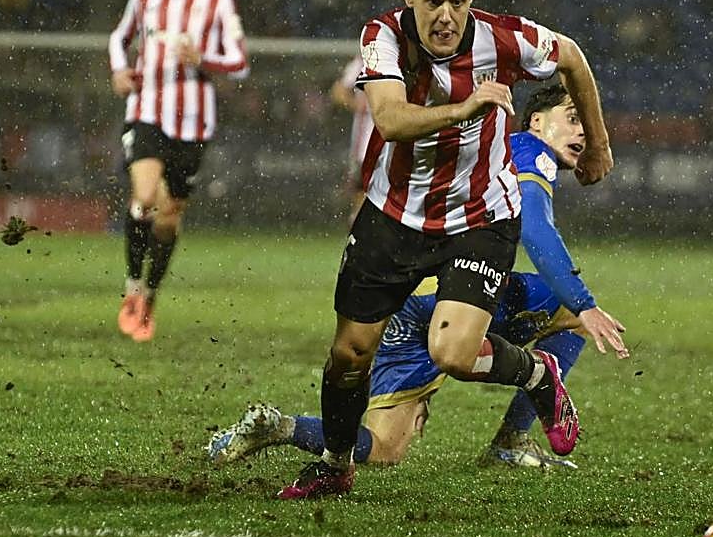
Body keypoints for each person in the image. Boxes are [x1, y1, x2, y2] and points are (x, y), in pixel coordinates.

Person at [277, 0, 613, 499]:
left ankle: (537, 375)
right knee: (348, 355)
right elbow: (389, 119)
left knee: (453, 352)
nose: (446, 15)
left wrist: (598, 144)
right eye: (433, 0)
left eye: (457, 0)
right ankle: (335, 466)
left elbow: (573, 55)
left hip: (481, 216)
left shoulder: (505, 37)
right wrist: (467, 107)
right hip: (394, 215)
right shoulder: (381, 37)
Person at [208, 84, 628, 470]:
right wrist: (583, 303)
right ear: (537, 120)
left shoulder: (487, 152)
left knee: (384, 446)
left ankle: (280, 428)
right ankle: (515, 433)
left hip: (405, 299)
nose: (583, 133)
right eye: (573, 118)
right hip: (452, 290)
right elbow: (536, 229)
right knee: (572, 317)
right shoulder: (527, 150)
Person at [107, 0, 249, 342]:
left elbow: (240, 63)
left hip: (193, 124)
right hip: (147, 111)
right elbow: (120, 36)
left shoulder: (219, 2)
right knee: (145, 196)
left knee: (168, 220)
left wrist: (203, 57)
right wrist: (119, 69)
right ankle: (132, 288)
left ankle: (150, 295)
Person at [329, 57, 375, 222]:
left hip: (395, 142)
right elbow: (338, 91)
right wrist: (357, 104)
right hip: (366, 146)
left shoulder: (407, 57)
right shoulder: (366, 60)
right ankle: (360, 236)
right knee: (362, 194)